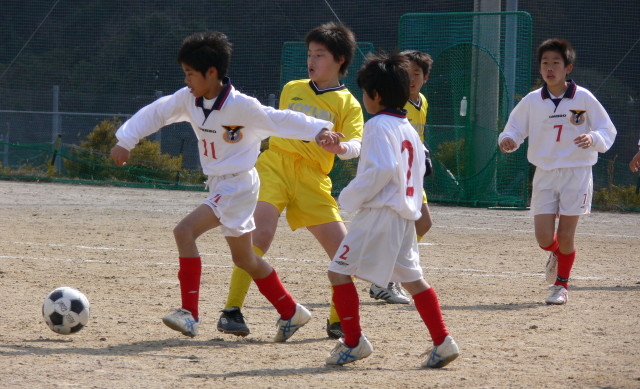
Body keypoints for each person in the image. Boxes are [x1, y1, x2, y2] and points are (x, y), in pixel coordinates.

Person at [110, 31, 343, 341]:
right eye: (184, 74)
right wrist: (126, 139)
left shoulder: (241, 106)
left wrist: (319, 130)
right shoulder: (189, 99)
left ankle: (189, 314)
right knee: (245, 259)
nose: (187, 81)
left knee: (184, 232)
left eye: (190, 74)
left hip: (238, 185)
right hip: (222, 186)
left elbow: (279, 119)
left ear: (211, 73)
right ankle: (291, 311)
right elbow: (158, 112)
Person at [216, 22, 364, 340]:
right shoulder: (292, 88)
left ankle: (337, 320)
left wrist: (340, 148)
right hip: (276, 167)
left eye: (320, 55)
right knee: (260, 234)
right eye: (310, 54)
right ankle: (232, 310)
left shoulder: (349, 104)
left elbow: (356, 145)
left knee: (345, 253)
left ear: (340, 60)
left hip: (313, 179)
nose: (311, 60)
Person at [325, 52, 459, 367]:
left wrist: (349, 196)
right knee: (413, 280)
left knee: (338, 272)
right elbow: (421, 168)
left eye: (364, 92)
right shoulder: (407, 127)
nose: (364, 99)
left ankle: (353, 342)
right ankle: (443, 341)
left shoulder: (377, 125)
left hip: (379, 215)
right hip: (404, 216)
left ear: (375, 95)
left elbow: (381, 168)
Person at [499, 38, 616, 305]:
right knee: (544, 238)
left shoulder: (583, 97)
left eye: (555, 63)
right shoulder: (532, 100)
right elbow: (514, 128)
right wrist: (508, 140)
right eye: (545, 63)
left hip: (577, 173)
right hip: (545, 173)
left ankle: (561, 285)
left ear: (568, 68)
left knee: (565, 235)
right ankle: (557, 253)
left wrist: (593, 138)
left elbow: (607, 129)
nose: (549, 68)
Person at [369, 50, 434, 305]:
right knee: (406, 227)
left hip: (412, 174)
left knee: (422, 224)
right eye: (406, 73)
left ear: (425, 77)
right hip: (396, 176)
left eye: (416, 73)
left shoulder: (422, 102)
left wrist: (423, 155)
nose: (411, 78)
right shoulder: (395, 103)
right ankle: (384, 279)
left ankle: (385, 276)